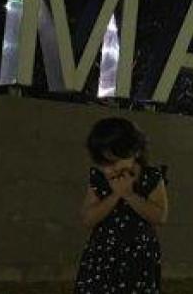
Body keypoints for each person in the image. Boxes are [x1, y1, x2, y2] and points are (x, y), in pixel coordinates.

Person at [74, 117, 169, 293]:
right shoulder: (99, 179)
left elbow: (160, 216)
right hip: (102, 256)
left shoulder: (151, 177)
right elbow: (87, 219)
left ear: (136, 152)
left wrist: (129, 194)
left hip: (139, 258)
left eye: (114, 162)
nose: (109, 170)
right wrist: (115, 194)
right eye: (103, 164)